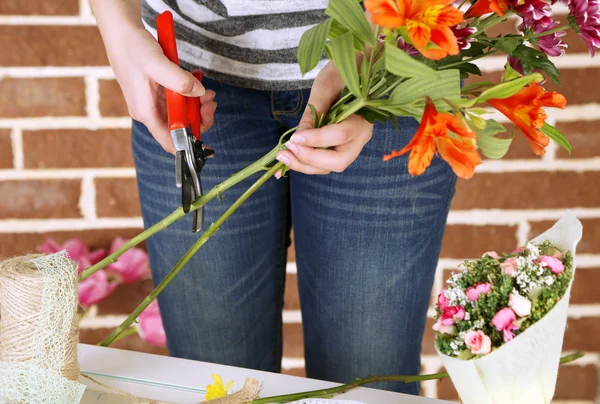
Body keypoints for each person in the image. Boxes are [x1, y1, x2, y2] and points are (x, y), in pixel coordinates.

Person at [91, 0, 456, 394]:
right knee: (217, 382)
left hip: (389, 61)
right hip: (189, 69)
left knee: (367, 378)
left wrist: (371, 50)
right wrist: (119, 28)